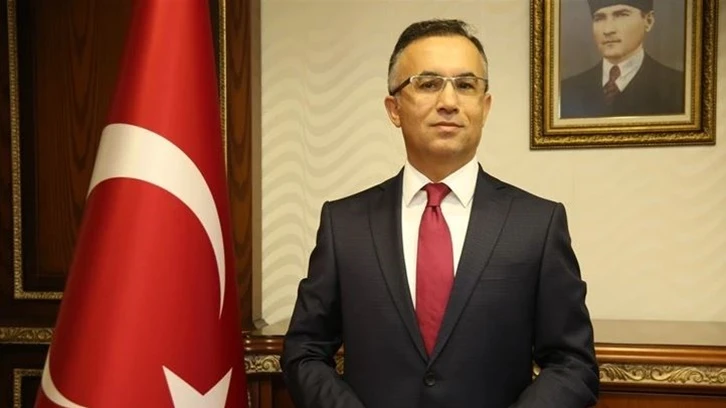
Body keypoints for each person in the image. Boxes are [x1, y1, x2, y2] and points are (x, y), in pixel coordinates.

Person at [281, 19, 599, 408]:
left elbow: (572, 364)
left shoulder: (537, 225)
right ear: (394, 108)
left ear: (485, 107)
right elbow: (304, 351)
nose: (448, 102)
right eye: (429, 84)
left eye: (465, 85)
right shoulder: (344, 224)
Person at [560, 0, 685, 118]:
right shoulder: (566, 91)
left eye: (621, 15)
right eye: (599, 18)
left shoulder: (679, 87)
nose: (608, 30)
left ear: (648, 21)